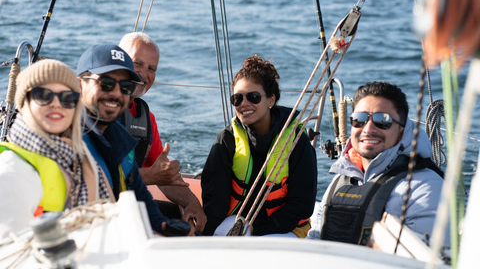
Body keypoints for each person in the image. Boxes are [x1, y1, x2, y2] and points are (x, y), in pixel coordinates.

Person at [307, 81, 445, 245]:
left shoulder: (425, 186)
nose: (368, 129)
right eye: (360, 119)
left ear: (402, 131)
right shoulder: (339, 181)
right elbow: (313, 242)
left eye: (383, 120)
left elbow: (424, 258)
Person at [201, 55, 317, 237]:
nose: (244, 104)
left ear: (271, 100)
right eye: (237, 99)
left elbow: (301, 205)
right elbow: (215, 202)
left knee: (269, 251)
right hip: (241, 222)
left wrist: (259, 235)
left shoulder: (296, 141)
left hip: (287, 226)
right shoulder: (226, 140)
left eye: (253, 97)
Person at [0, 60, 114, 238]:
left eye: (67, 98)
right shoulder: (11, 171)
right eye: (44, 95)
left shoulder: (80, 159)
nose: (56, 103)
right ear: (24, 102)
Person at [76, 44, 171, 234]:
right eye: (106, 84)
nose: (116, 93)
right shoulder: (64, 136)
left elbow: (141, 197)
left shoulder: (121, 140)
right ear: (81, 84)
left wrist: (165, 226)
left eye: (126, 87)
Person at [118, 32, 206, 233]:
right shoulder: (101, 110)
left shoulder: (145, 117)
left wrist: (193, 203)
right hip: (103, 209)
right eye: (137, 63)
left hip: (130, 204)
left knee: (185, 223)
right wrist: (150, 176)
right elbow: (102, 176)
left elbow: (163, 176)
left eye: (152, 68)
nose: (143, 74)